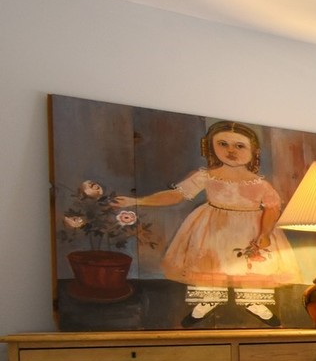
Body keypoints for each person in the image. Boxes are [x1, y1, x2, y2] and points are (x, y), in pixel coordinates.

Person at [115, 120, 300, 324]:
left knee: (253, 266)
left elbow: (273, 208)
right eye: (223, 144)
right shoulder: (206, 176)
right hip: (213, 227)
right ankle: (208, 300)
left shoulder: (261, 184)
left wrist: (264, 233)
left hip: (251, 228)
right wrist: (138, 201)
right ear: (211, 146)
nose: (230, 151)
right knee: (207, 262)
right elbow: (177, 195)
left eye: (239, 146)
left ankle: (253, 301)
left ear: (253, 150)